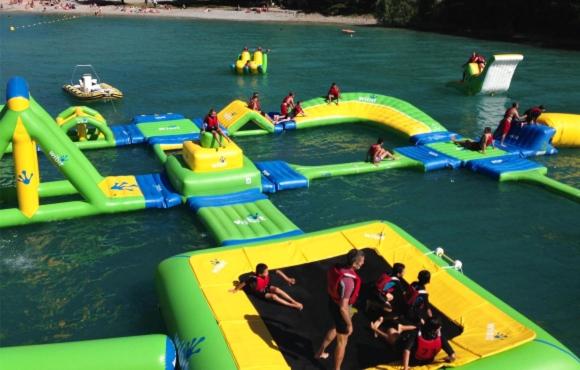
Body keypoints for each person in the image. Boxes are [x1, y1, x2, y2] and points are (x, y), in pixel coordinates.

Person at [315, 249, 365, 370]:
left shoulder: (337, 268)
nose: (363, 263)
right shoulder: (348, 282)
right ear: (354, 264)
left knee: (334, 327)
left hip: (332, 302)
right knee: (342, 342)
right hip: (341, 308)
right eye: (361, 262)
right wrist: (349, 324)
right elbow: (343, 308)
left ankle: (319, 352)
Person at [230, 263, 303, 310]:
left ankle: (294, 301)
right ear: (260, 274)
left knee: (277, 289)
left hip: (266, 286)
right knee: (274, 296)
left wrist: (287, 279)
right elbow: (244, 283)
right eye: (266, 272)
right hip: (260, 292)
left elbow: (277, 271)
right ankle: (292, 305)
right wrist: (236, 289)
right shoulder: (253, 278)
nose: (268, 272)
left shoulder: (265, 273)